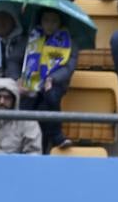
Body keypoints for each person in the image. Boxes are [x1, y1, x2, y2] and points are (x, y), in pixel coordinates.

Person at [19, 8, 79, 151]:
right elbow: (15, 60)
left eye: (54, 21)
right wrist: (17, 78)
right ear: (40, 21)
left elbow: (69, 68)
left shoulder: (69, 42)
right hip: (29, 82)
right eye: (46, 20)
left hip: (54, 84)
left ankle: (53, 138)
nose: (49, 25)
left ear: (60, 23)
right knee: (29, 106)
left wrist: (52, 78)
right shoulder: (30, 37)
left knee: (49, 99)